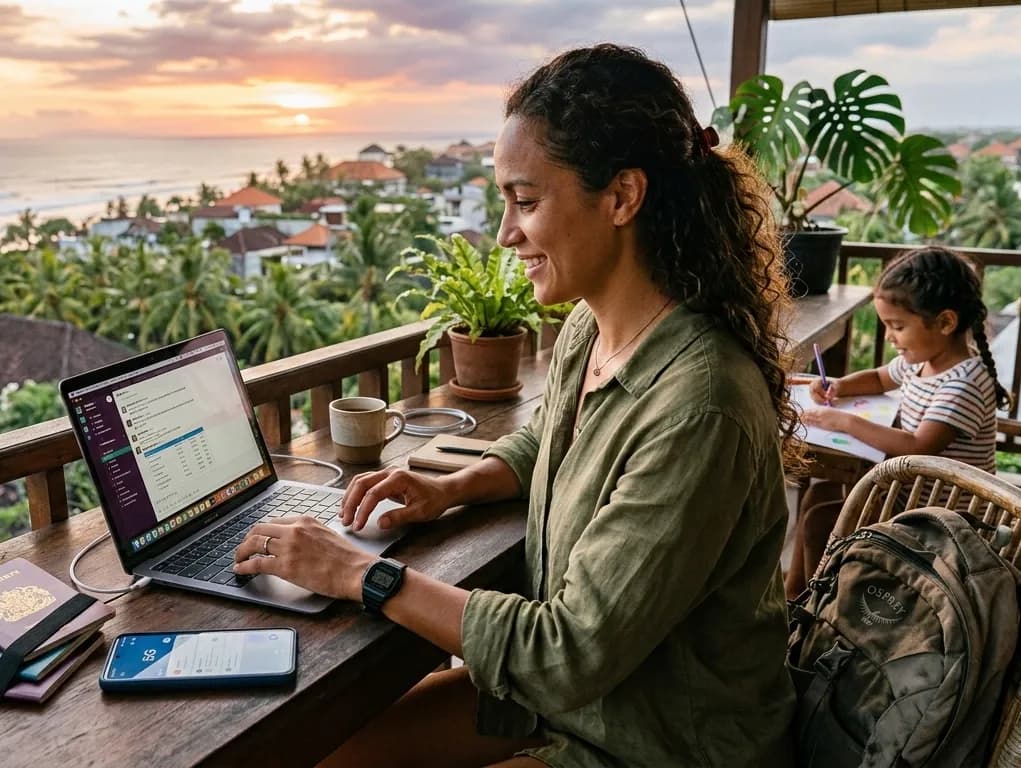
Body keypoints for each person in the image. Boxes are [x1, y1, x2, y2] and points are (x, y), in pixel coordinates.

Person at [235, 43, 797, 768]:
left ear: (622, 197)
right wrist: (447, 487)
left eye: (525, 202)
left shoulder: (700, 407)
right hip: (574, 704)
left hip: (654, 740)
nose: (505, 234)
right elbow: (549, 446)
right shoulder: (595, 329)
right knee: (324, 752)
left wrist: (358, 574)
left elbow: (569, 651)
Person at [786, 246, 1010, 598]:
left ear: (946, 322)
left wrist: (843, 422)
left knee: (820, 521)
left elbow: (919, 445)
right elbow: (878, 378)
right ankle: (796, 596)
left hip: (948, 519)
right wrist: (840, 386)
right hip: (911, 495)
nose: (889, 337)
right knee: (819, 493)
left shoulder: (963, 382)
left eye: (898, 326)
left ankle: (822, 607)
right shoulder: (922, 361)